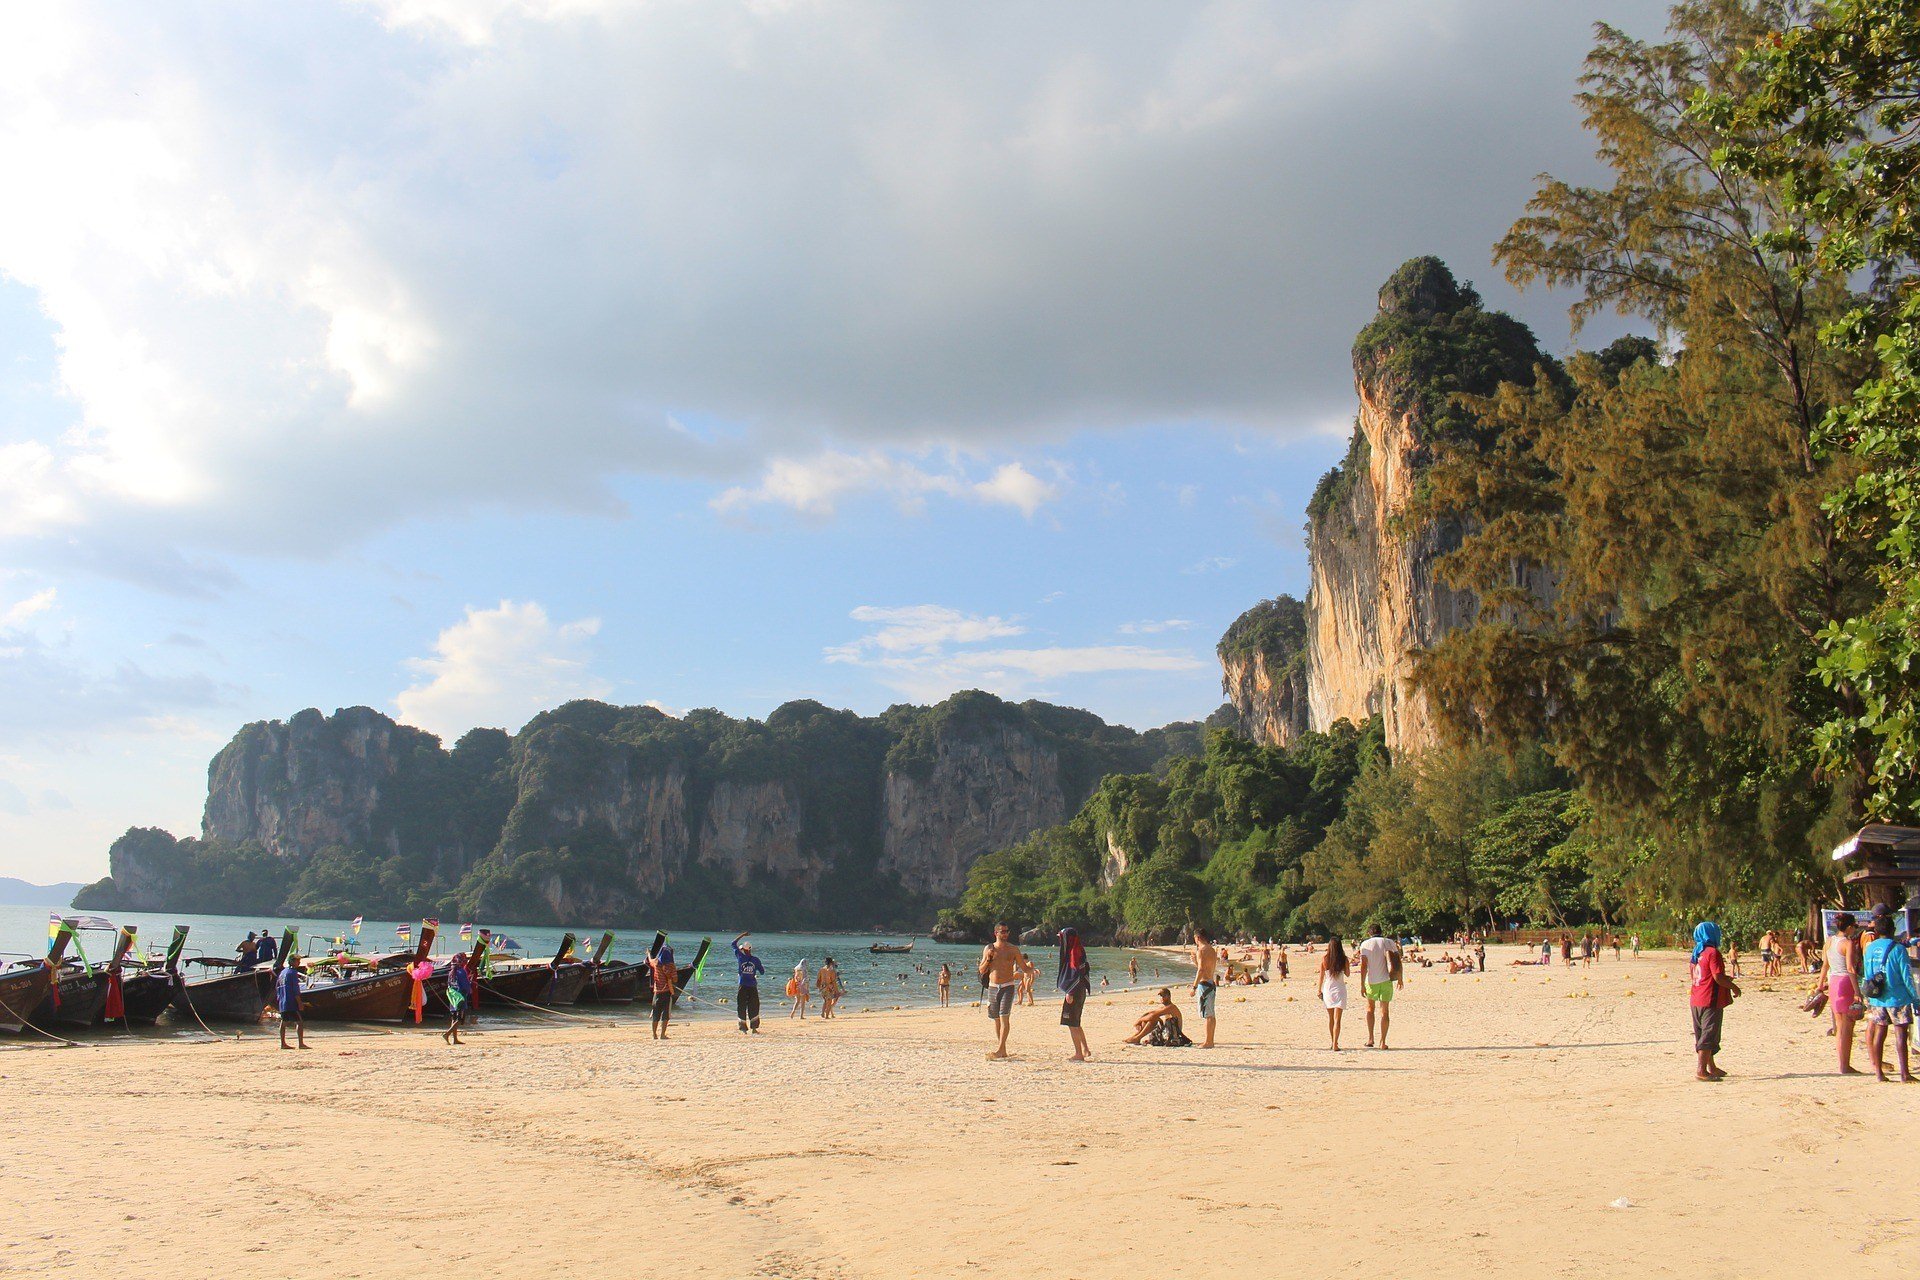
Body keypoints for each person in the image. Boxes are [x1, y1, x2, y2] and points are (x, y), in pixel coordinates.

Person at [1862, 912, 1918, 1083]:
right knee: (1900, 1034)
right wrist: (1915, 998)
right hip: (1898, 997)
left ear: (1877, 931)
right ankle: (1904, 1073)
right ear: (1893, 930)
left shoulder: (1870, 948)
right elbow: (1907, 976)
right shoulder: (1898, 949)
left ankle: (1878, 1072)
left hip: (1877, 998)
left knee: (1880, 1032)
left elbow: (1867, 973)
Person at [978, 923, 1038, 1060]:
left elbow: (1023, 967)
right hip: (992, 986)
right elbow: (981, 970)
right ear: (996, 933)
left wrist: (1032, 971)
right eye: (1002, 932)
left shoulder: (1013, 949)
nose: (1005, 934)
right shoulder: (989, 948)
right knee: (996, 1019)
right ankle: (1003, 1049)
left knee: (1004, 1017)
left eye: (1007, 931)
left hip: (1007, 986)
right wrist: (988, 958)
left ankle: (999, 1049)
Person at [1689, 921, 1738, 1081]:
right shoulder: (1712, 953)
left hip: (1696, 999)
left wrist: (1724, 979)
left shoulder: (1697, 952)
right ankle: (1701, 1070)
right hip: (1710, 999)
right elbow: (1717, 977)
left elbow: (1700, 975)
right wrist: (1733, 986)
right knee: (1709, 1035)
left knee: (1702, 1033)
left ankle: (1712, 1067)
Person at [1353, 924, 1403, 1049]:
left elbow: (1363, 965)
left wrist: (1361, 984)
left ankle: (1370, 1038)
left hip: (1371, 981)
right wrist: (1400, 977)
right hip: (1386, 980)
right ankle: (1383, 1041)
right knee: (1384, 1011)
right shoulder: (1389, 942)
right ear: (1381, 932)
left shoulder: (1365, 944)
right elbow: (1397, 961)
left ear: (1369, 933)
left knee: (1370, 1009)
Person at [1825, 913, 1863, 1074]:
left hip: (1833, 982)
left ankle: (1843, 1063)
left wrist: (1820, 985)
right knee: (1848, 1027)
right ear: (1848, 927)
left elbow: (1824, 965)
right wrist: (1857, 991)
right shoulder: (1847, 943)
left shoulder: (1830, 941)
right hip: (1846, 982)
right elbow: (1850, 968)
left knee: (1840, 1027)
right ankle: (1845, 1065)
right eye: (1854, 926)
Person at [1056, 927, 1093, 1062]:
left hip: (1075, 991)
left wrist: (1069, 991)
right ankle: (1085, 1049)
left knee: (1072, 1023)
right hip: (1081, 989)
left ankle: (1079, 1053)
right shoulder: (1079, 949)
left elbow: (1074, 973)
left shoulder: (1073, 952)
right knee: (1076, 1022)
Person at [1190, 928, 1220, 1049]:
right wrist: (1195, 962)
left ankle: (1209, 1041)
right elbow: (1206, 968)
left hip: (1205, 984)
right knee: (1210, 1014)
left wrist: (1194, 987)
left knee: (1208, 1014)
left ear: (1198, 938)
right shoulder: (1212, 950)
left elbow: (1201, 970)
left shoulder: (1201, 951)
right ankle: (1210, 1040)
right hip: (1211, 983)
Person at [1319, 936, 1350, 1051]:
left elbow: (1321, 976)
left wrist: (1319, 990)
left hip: (1328, 989)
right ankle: (1335, 1044)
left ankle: (1333, 1042)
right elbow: (1348, 974)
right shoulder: (1344, 959)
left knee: (1331, 1018)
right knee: (1338, 1019)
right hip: (1340, 989)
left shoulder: (1325, 959)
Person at [731, 933, 765, 1033]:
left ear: (743, 949)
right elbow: (762, 972)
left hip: (742, 985)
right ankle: (754, 1028)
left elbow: (733, 943)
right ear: (750, 949)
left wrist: (743, 935)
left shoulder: (740, 957)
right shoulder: (756, 960)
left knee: (741, 1005)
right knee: (754, 1005)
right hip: (752, 986)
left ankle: (743, 1028)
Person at [276, 953, 306, 1050]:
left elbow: (277, 987)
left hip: (283, 1001)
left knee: (284, 1022)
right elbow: (295, 990)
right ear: (292, 961)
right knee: (299, 1022)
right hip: (290, 1001)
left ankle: (283, 1043)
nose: (299, 963)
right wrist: (299, 1002)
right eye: (298, 961)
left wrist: (279, 999)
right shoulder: (292, 973)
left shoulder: (282, 972)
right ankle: (301, 1043)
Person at [647, 944, 677, 1040]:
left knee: (656, 1014)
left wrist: (648, 953)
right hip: (667, 992)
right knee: (665, 1014)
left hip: (657, 993)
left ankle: (654, 1035)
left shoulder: (656, 963)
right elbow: (675, 979)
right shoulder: (671, 965)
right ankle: (662, 1035)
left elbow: (650, 961)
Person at [444, 951, 474, 1045]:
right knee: (460, 1019)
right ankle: (447, 1034)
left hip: (453, 998)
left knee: (454, 1018)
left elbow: (450, 985)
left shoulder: (451, 972)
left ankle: (455, 1039)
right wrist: (470, 986)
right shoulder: (462, 972)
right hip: (460, 998)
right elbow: (465, 986)